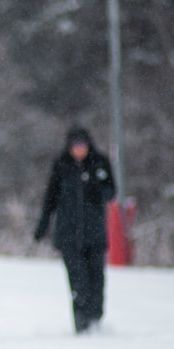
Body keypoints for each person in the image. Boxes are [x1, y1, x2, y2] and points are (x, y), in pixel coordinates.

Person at [33, 123, 117, 334]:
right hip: (68, 235)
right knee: (78, 282)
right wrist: (43, 225)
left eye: (82, 145)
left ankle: (96, 321)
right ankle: (82, 325)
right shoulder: (62, 165)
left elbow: (111, 193)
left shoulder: (100, 163)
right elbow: (50, 197)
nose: (79, 150)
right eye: (75, 146)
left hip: (95, 235)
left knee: (96, 280)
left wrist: (96, 184)